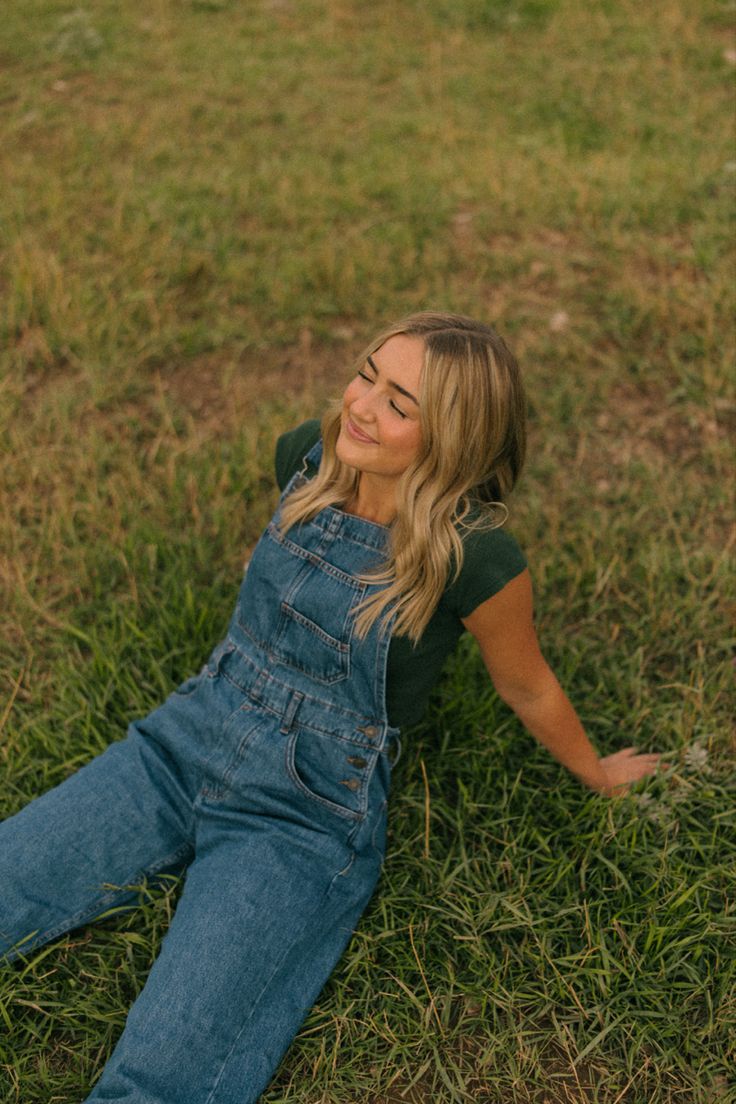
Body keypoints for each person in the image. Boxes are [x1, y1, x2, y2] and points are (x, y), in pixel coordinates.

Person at [0, 311, 661, 1103]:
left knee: (168, 1069)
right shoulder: (306, 460)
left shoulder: (473, 557)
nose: (362, 404)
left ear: (452, 438)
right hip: (184, 739)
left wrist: (597, 772)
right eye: (367, 373)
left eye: (400, 404)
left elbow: (528, 683)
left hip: (302, 810)